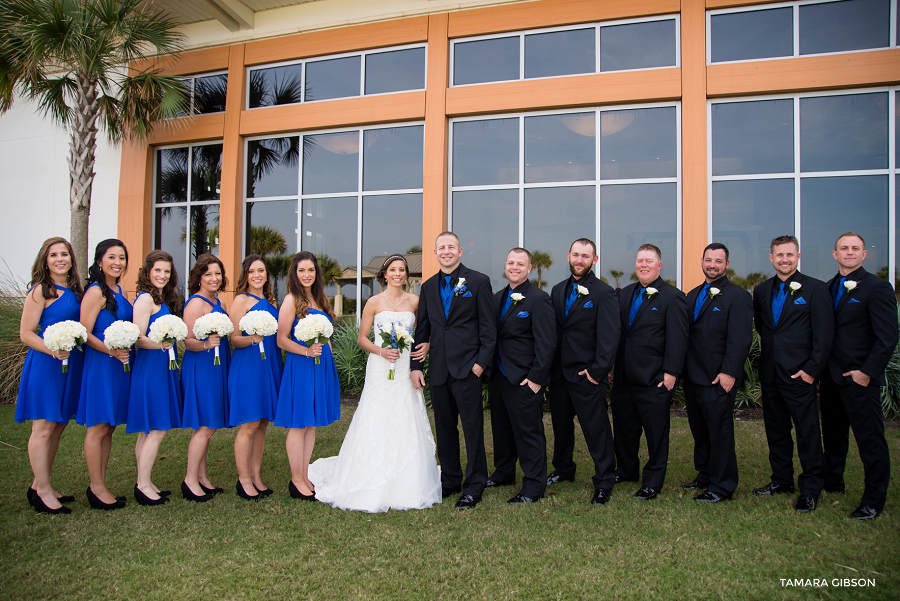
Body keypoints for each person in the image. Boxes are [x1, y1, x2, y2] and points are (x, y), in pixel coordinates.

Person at [309, 254, 439, 512]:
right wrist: (381, 352)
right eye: (393, 269)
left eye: (402, 270)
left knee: (405, 414)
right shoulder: (374, 302)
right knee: (376, 414)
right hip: (380, 366)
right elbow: (362, 339)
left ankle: (407, 478)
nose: (398, 274)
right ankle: (370, 473)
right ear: (385, 273)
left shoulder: (415, 301)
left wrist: (428, 345)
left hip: (403, 367)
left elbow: (430, 330)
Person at [410, 232, 496, 510]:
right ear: (435, 253)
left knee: (472, 430)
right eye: (441, 248)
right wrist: (415, 366)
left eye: (451, 247)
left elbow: (488, 329)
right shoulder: (428, 286)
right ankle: (450, 480)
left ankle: (475, 483)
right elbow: (423, 329)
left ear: (460, 251)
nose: (446, 252)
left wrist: (481, 363)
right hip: (439, 370)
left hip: (468, 369)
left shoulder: (479, 281)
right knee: (445, 429)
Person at [752, 235, 833, 513]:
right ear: (771, 258)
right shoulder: (761, 290)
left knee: (807, 432)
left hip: (800, 375)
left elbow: (824, 335)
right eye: (779, 255)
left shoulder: (815, 289)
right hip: (771, 374)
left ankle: (810, 488)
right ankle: (781, 480)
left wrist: (811, 370)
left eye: (789, 254)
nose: (784, 259)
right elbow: (765, 328)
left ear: (798, 257)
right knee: (776, 431)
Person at [821, 232, 897, 520]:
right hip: (830, 377)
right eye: (844, 248)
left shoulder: (877, 288)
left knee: (870, 440)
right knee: (834, 435)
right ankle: (833, 481)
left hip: (860, 378)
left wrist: (867, 372)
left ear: (864, 254)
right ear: (835, 254)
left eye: (855, 248)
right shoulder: (827, 288)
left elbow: (887, 337)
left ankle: (873, 499)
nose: (849, 252)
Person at [610, 244, 688, 500]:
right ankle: (626, 469)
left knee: (656, 434)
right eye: (640, 260)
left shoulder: (673, 297)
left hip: (654, 378)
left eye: (649, 261)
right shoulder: (624, 294)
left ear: (659, 265)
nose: (643, 265)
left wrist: (671, 372)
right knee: (624, 429)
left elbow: (678, 339)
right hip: (623, 378)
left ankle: (653, 481)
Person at [546, 238, 619, 506]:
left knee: (596, 429)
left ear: (594, 260)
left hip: (586, 375)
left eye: (585, 256)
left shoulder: (603, 293)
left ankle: (604, 481)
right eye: (576, 255)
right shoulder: (557, 290)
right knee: (561, 428)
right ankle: (563, 469)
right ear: (568, 256)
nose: (579, 260)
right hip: (559, 376)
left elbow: (610, 337)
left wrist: (597, 372)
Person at [16, 237, 84, 514]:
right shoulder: (40, 291)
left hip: (70, 363)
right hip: (47, 364)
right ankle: (43, 491)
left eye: (65, 254)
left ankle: (38, 485)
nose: (60, 259)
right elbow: (26, 333)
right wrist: (52, 350)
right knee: (43, 428)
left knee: (57, 425)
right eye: (54, 254)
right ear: (45, 259)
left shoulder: (76, 291)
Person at [682, 243, 752, 503]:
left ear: (727, 265)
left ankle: (722, 486)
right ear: (701, 262)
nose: (712, 265)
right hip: (693, 376)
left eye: (718, 261)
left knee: (720, 433)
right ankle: (705, 474)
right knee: (700, 431)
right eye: (708, 260)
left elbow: (740, 339)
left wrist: (729, 372)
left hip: (718, 378)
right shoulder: (692, 294)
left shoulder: (738, 296)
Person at [486, 248, 555, 504]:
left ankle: (534, 486)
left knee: (529, 433)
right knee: (501, 429)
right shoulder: (496, 298)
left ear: (529, 268)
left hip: (525, 378)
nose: (515, 267)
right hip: (499, 376)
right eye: (511, 263)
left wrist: (536, 378)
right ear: (506, 265)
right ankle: (504, 472)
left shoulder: (539, 299)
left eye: (520, 264)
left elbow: (547, 343)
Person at [275, 251, 341, 501]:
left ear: (316, 273)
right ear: (294, 273)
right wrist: (305, 351)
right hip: (301, 365)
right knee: (298, 421)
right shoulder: (291, 299)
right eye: (301, 270)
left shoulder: (320, 298)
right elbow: (281, 340)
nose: (306, 275)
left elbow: (327, 337)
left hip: (321, 364)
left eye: (311, 270)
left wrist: (330, 364)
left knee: (311, 422)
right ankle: (295, 480)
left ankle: (304, 475)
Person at [77, 239, 132, 510]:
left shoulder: (119, 290)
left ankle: (101, 483)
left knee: (109, 426)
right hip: (101, 363)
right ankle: (95, 488)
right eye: (112, 257)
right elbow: (84, 332)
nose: (117, 262)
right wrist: (110, 352)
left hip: (118, 364)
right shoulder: (96, 292)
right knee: (98, 424)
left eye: (122, 258)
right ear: (100, 262)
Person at [126, 250, 183, 506]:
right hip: (151, 367)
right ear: (148, 271)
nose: (162, 275)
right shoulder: (144, 299)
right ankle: (142, 485)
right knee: (157, 428)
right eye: (158, 270)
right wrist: (161, 344)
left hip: (163, 366)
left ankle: (145, 481)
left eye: (167, 271)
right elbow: (137, 338)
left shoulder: (162, 298)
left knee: (147, 430)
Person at [227, 254, 282, 500]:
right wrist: (252, 338)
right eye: (252, 271)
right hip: (248, 366)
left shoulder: (270, 300)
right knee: (249, 424)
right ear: (245, 275)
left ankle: (257, 476)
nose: (257, 275)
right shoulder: (241, 300)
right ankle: (243, 479)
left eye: (261, 270)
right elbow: (233, 339)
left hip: (268, 365)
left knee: (262, 423)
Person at [181, 253, 230, 502]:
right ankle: (190, 480)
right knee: (206, 425)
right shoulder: (196, 303)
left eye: (217, 273)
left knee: (208, 425)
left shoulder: (216, 300)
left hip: (216, 366)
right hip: (201, 367)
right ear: (199, 277)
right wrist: (206, 345)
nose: (214, 278)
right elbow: (187, 341)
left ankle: (202, 476)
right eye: (208, 274)